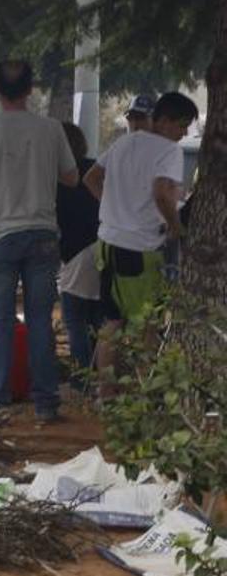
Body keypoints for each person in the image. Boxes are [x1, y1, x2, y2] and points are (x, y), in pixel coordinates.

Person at [0, 60, 79, 421]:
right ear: (30, 90)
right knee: (40, 320)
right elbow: (71, 178)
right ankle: (46, 403)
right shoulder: (51, 128)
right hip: (41, 236)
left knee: (1, 320)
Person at [84, 91, 197, 391]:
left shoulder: (124, 142)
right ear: (163, 120)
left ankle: (106, 394)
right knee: (148, 325)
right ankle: (145, 396)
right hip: (140, 249)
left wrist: (114, 209)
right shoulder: (168, 151)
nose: (184, 132)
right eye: (182, 125)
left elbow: (91, 178)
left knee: (111, 322)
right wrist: (175, 226)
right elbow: (162, 191)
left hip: (107, 242)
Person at [55, 122, 103, 374]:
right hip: (105, 244)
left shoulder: (56, 176)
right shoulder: (95, 166)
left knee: (74, 319)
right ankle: (98, 369)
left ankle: (82, 374)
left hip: (76, 252)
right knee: (96, 316)